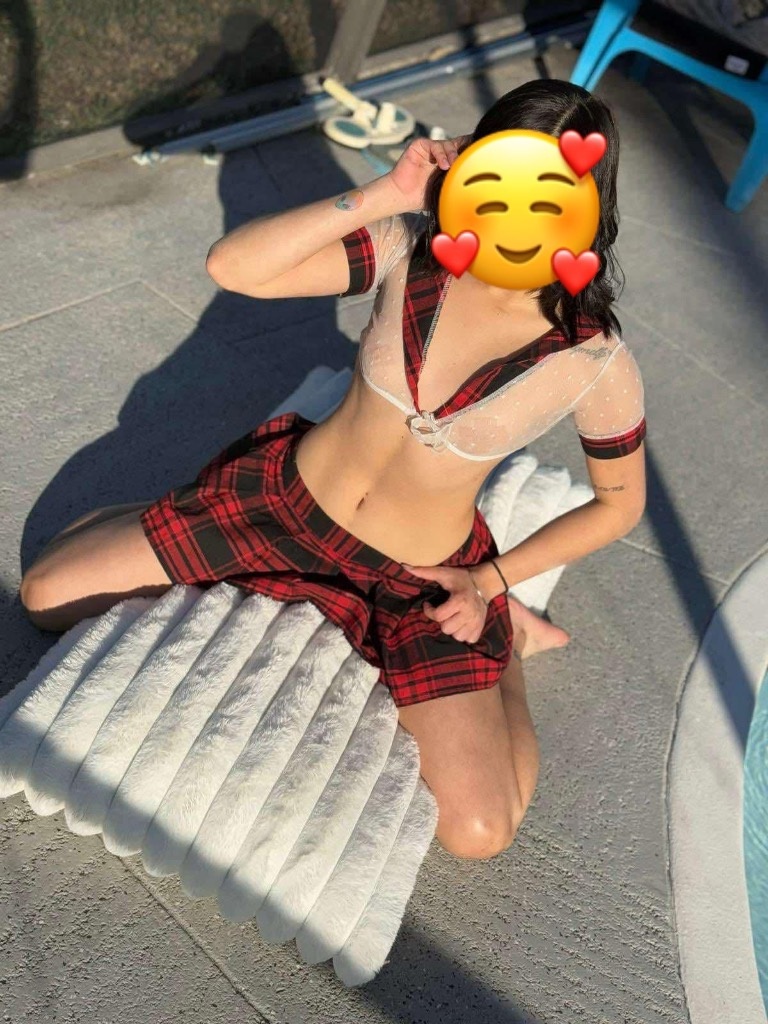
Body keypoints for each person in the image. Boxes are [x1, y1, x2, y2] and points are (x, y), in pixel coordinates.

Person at [19, 79, 647, 862]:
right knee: (44, 595)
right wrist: (386, 192)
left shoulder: (592, 356)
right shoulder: (411, 249)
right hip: (281, 504)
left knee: (482, 831)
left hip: (415, 580)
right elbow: (234, 267)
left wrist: (488, 584)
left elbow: (619, 507)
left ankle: (507, 643)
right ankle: (161, 517)